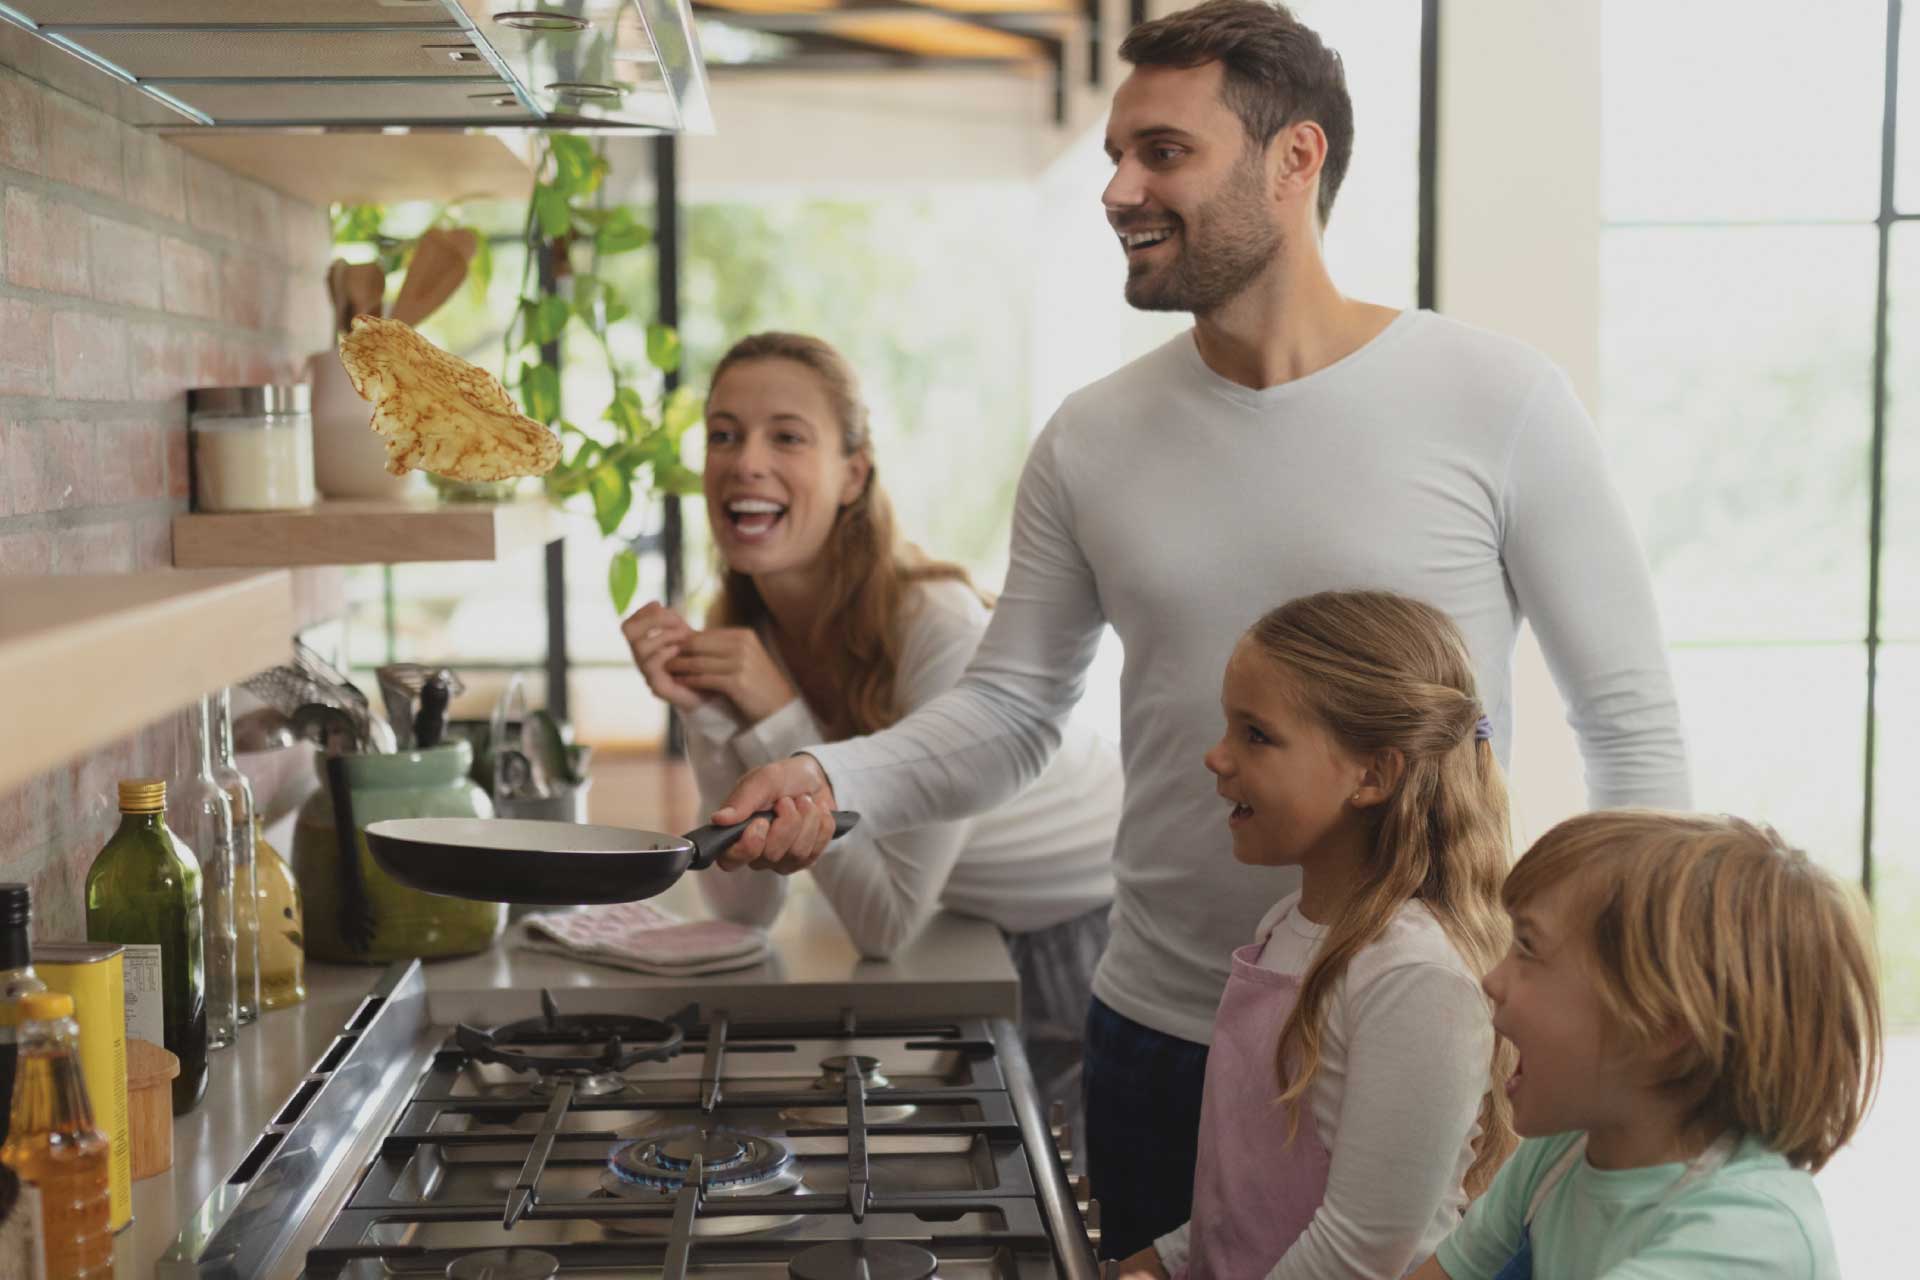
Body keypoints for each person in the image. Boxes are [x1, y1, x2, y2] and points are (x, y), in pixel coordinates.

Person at [706, 0, 1690, 1256]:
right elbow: (1012, 709)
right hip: (1164, 1024)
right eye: (1117, 153)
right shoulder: (1092, 436)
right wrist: (827, 778)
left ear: (1297, 159)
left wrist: (1635, 993)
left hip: (1423, 1033)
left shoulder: (1497, 400)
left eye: (1163, 151)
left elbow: (1628, 719)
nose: (1118, 187)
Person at [620, 331, 1123, 1132]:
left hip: (1083, 932)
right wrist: (706, 708)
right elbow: (743, 907)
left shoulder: (937, 627)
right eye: (723, 434)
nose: (744, 460)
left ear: (854, 474)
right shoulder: (752, 629)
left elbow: (884, 924)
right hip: (968, 922)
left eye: (786, 435)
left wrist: (779, 713)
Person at [1109, 591, 1515, 1280]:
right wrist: (1161, 1262)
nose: (1216, 756)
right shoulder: (1286, 927)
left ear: (1374, 774)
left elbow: (1358, 1251)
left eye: (1255, 735)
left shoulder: (1414, 974)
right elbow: (1252, 1203)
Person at [1410, 811, 1881, 1280]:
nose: (1492, 980)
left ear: (1666, 1026)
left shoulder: (1750, 1234)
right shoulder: (1563, 1152)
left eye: (1529, 948)